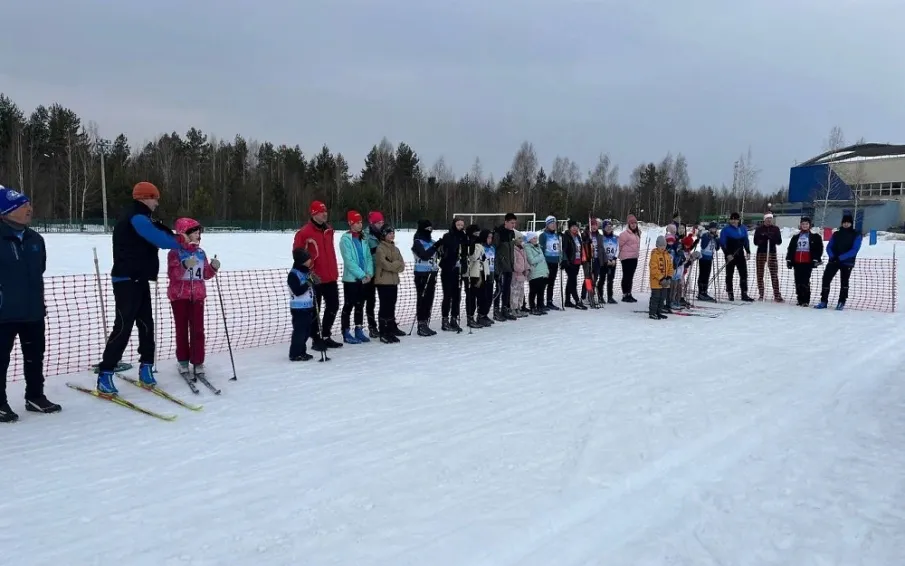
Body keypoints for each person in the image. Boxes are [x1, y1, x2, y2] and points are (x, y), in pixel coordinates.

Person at [95, 182, 185, 395]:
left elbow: (158, 231)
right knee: (124, 326)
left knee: (146, 324)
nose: (157, 202)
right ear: (145, 197)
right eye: (155, 198)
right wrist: (180, 241)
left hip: (139, 278)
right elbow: (159, 239)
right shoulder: (135, 216)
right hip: (126, 279)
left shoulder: (142, 216)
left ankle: (146, 367)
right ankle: (106, 373)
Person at [0, 186, 60, 422]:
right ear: (7, 211)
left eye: (29, 204)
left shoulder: (36, 239)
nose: (29, 209)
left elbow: (40, 268)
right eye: (23, 206)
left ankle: (35, 396)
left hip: (33, 310)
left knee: (35, 356)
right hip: (4, 312)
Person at [166, 217, 221, 381]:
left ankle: (198, 361)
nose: (198, 235)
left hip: (197, 295)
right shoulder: (174, 252)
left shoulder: (200, 252)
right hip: (179, 296)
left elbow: (204, 274)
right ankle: (182, 361)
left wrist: (212, 268)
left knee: (198, 330)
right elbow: (173, 275)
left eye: (199, 232)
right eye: (194, 232)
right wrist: (183, 266)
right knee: (181, 330)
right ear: (185, 234)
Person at [293, 200, 342, 350]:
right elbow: (297, 254)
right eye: (321, 211)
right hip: (314, 276)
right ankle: (316, 338)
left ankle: (326, 334)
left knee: (333, 305)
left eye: (325, 211)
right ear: (314, 213)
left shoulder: (329, 230)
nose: (325, 214)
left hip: (330, 275)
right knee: (316, 308)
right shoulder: (304, 232)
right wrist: (307, 272)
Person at [338, 210, 374, 344]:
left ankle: (359, 329)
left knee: (360, 305)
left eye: (361, 222)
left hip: (364, 279)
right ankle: (346, 331)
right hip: (351, 279)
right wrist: (362, 275)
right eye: (357, 222)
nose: (360, 225)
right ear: (350, 223)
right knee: (349, 305)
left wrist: (369, 273)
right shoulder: (345, 240)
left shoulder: (363, 238)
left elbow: (368, 257)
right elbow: (349, 261)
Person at [817, 213, 861, 310]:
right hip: (833, 261)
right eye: (844, 222)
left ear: (851, 223)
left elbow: (854, 250)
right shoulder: (836, 234)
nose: (846, 224)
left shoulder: (856, 234)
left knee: (844, 282)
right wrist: (832, 256)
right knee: (826, 279)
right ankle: (823, 301)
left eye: (848, 222)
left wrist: (841, 258)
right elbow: (829, 246)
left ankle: (842, 301)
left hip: (847, 262)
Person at [372, 224, 406, 342]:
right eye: (389, 233)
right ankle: (383, 332)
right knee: (385, 306)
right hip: (383, 282)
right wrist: (394, 265)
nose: (392, 235)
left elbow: (402, 265)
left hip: (393, 281)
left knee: (391, 306)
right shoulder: (380, 248)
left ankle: (390, 329)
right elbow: (384, 264)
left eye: (393, 233)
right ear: (384, 235)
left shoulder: (396, 249)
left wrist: (393, 264)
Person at [786, 216, 824, 307]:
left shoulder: (815, 237)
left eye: (806, 224)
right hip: (797, 261)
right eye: (803, 224)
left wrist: (816, 259)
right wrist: (789, 259)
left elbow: (819, 249)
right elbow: (790, 249)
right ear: (800, 225)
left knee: (805, 281)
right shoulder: (796, 237)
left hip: (807, 262)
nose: (805, 225)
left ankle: (806, 300)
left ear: (809, 225)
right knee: (798, 281)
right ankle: (800, 299)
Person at [411, 219, 440, 336]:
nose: (429, 231)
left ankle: (425, 322)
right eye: (427, 229)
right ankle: (421, 324)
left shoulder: (431, 241)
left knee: (429, 299)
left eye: (430, 228)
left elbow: (437, 255)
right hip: (422, 274)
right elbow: (424, 255)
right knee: (422, 299)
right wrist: (436, 246)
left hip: (432, 273)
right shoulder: (417, 241)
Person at [439, 218, 468, 331]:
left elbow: (466, 252)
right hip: (448, 269)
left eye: (462, 225)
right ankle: (445, 319)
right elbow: (448, 250)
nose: (460, 226)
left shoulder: (463, 236)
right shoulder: (448, 236)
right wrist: (457, 248)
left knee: (457, 295)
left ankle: (454, 318)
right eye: (458, 224)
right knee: (448, 295)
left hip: (458, 270)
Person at [718, 212, 754, 302]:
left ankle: (744, 293)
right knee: (729, 274)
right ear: (730, 220)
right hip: (730, 254)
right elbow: (722, 243)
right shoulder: (725, 230)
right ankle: (730, 292)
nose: (734, 221)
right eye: (732, 219)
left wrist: (748, 251)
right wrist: (727, 254)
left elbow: (746, 240)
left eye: (736, 219)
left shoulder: (743, 228)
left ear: (739, 220)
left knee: (743, 274)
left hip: (740, 254)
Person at [287, 249, 315, 361]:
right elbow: (297, 291)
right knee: (300, 331)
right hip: (298, 308)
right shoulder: (294, 274)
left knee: (307, 331)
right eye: (308, 259)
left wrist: (313, 283)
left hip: (308, 306)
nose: (310, 261)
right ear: (302, 261)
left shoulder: (306, 272)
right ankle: (295, 353)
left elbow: (310, 287)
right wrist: (308, 283)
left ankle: (302, 351)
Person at [753, 212, 783, 302]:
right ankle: (761, 294)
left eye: (770, 218)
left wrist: (772, 238)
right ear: (764, 219)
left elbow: (779, 241)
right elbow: (755, 242)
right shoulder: (759, 229)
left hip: (772, 253)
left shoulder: (775, 229)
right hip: (761, 253)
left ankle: (777, 295)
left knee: (774, 274)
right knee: (760, 274)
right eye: (767, 218)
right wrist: (763, 238)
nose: (769, 220)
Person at [492, 213, 518, 320]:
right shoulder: (498, 233)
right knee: (499, 288)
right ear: (506, 222)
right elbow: (495, 249)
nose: (513, 225)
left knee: (507, 289)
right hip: (500, 266)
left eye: (515, 223)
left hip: (509, 265)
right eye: (512, 223)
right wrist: (498, 265)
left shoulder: (512, 233)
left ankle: (505, 308)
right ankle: (496, 310)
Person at [363, 211, 385, 337]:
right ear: (372, 223)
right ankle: (372, 326)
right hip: (370, 272)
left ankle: (387, 322)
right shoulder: (366, 235)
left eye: (382, 222)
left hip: (382, 271)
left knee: (385, 299)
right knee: (370, 300)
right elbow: (365, 254)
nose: (381, 225)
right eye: (378, 223)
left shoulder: (383, 233)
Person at [464, 224, 489, 328]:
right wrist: (476, 245)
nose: (477, 235)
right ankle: (470, 317)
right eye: (475, 233)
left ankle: (481, 315)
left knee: (482, 295)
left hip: (481, 272)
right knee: (471, 296)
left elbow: (483, 258)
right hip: (471, 273)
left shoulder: (479, 244)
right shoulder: (469, 242)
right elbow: (473, 257)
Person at [648, 235, 675, 320]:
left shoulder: (667, 255)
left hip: (665, 282)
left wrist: (669, 277)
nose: (662, 247)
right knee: (656, 297)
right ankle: (652, 313)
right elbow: (654, 269)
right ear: (657, 245)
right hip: (656, 282)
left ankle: (658, 312)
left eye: (664, 245)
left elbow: (671, 267)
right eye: (660, 245)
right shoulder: (654, 255)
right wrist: (661, 278)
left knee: (662, 298)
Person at [538, 216, 562, 310]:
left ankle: (549, 301)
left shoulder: (557, 235)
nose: (553, 225)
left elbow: (559, 249)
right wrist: (543, 262)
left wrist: (561, 259)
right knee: (544, 283)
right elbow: (541, 249)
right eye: (551, 223)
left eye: (555, 223)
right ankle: (540, 302)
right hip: (547, 262)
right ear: (547, 225)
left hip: (555, 262)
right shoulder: (543, 235)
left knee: (551, 283)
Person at [560, 220, 585, 308]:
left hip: (577, 261)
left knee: (570, 281)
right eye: (573, 227)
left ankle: (567, 300)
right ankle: (577, 300)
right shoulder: (566, 236)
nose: (575, 228)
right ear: (569, 228)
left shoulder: (578, 236)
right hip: (570, 262)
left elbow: (580, 247)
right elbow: (564, 249)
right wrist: (565, 260)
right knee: (573, 281)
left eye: (576, 226)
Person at [523, 232, 549, 315]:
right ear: (529, 239)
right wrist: (541, 256)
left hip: (542, 272)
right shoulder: (527, 247)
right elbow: (531, 260)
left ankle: (540, 306)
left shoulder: (538, 247)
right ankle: (532, 307)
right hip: (534, 273)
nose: (535, 240)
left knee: (541, 291)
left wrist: (546, 270)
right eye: (534, 238)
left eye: (536, 238)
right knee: (533, 291)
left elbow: (543, 260)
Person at [617, 214, 641, 302]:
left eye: (635, 223)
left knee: (630, 276)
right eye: (632, 223)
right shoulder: (624, 234)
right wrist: (618, 256)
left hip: (634, 258)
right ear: (629, 224)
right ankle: (625, 294)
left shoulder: (637, 233)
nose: (633, 225)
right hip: (626, 258)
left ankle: (629, 293)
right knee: (626, 276)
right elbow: (619, 245)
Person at [477, 229, 496, 326]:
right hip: (482, 274)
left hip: (491, 274)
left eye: (491, 238)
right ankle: (480, 315)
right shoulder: (480, 247)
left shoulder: (492, 248)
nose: (490, 239)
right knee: (483, 296)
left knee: (489, 296)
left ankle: (485, 314)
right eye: (488, 237)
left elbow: (494, 261)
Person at [696, 222, 720, 301]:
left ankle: (704, 291)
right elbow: (703, 245)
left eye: (715, 228)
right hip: (703, 258)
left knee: (707, 275)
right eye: (712, 228)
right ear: (709, 228)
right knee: (702, 275)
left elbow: (717, 248)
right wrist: (710, 237)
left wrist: (717, 239)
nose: (714, 230)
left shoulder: (714, 236)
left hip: (709, 258)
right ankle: (700, 292)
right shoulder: (705, 235)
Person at [510, 232, 530, 317]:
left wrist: (527, 269)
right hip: (516, 275)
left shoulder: (522, 249)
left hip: (522, 275)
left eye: (521, 238)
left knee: (521, 292)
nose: (521, 240)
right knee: (514, 292)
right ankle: (513, 308)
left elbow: (525, 260)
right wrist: (521, 269)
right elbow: (514, 263)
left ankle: (519, 307)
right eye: (519, 238)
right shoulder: (513, 250)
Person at [600, 221, 619, 304]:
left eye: (610, 227)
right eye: (607, 227)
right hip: (604, 262)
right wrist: (606, 260)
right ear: (603, 228)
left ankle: (610, 297)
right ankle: (600, 296)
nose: (609, 228)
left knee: (610, 280)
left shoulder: (615, 238)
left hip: (613, 262)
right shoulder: (602, 238)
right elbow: (601, 250)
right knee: (602, 279)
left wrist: (614, 258)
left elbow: (618, 249)